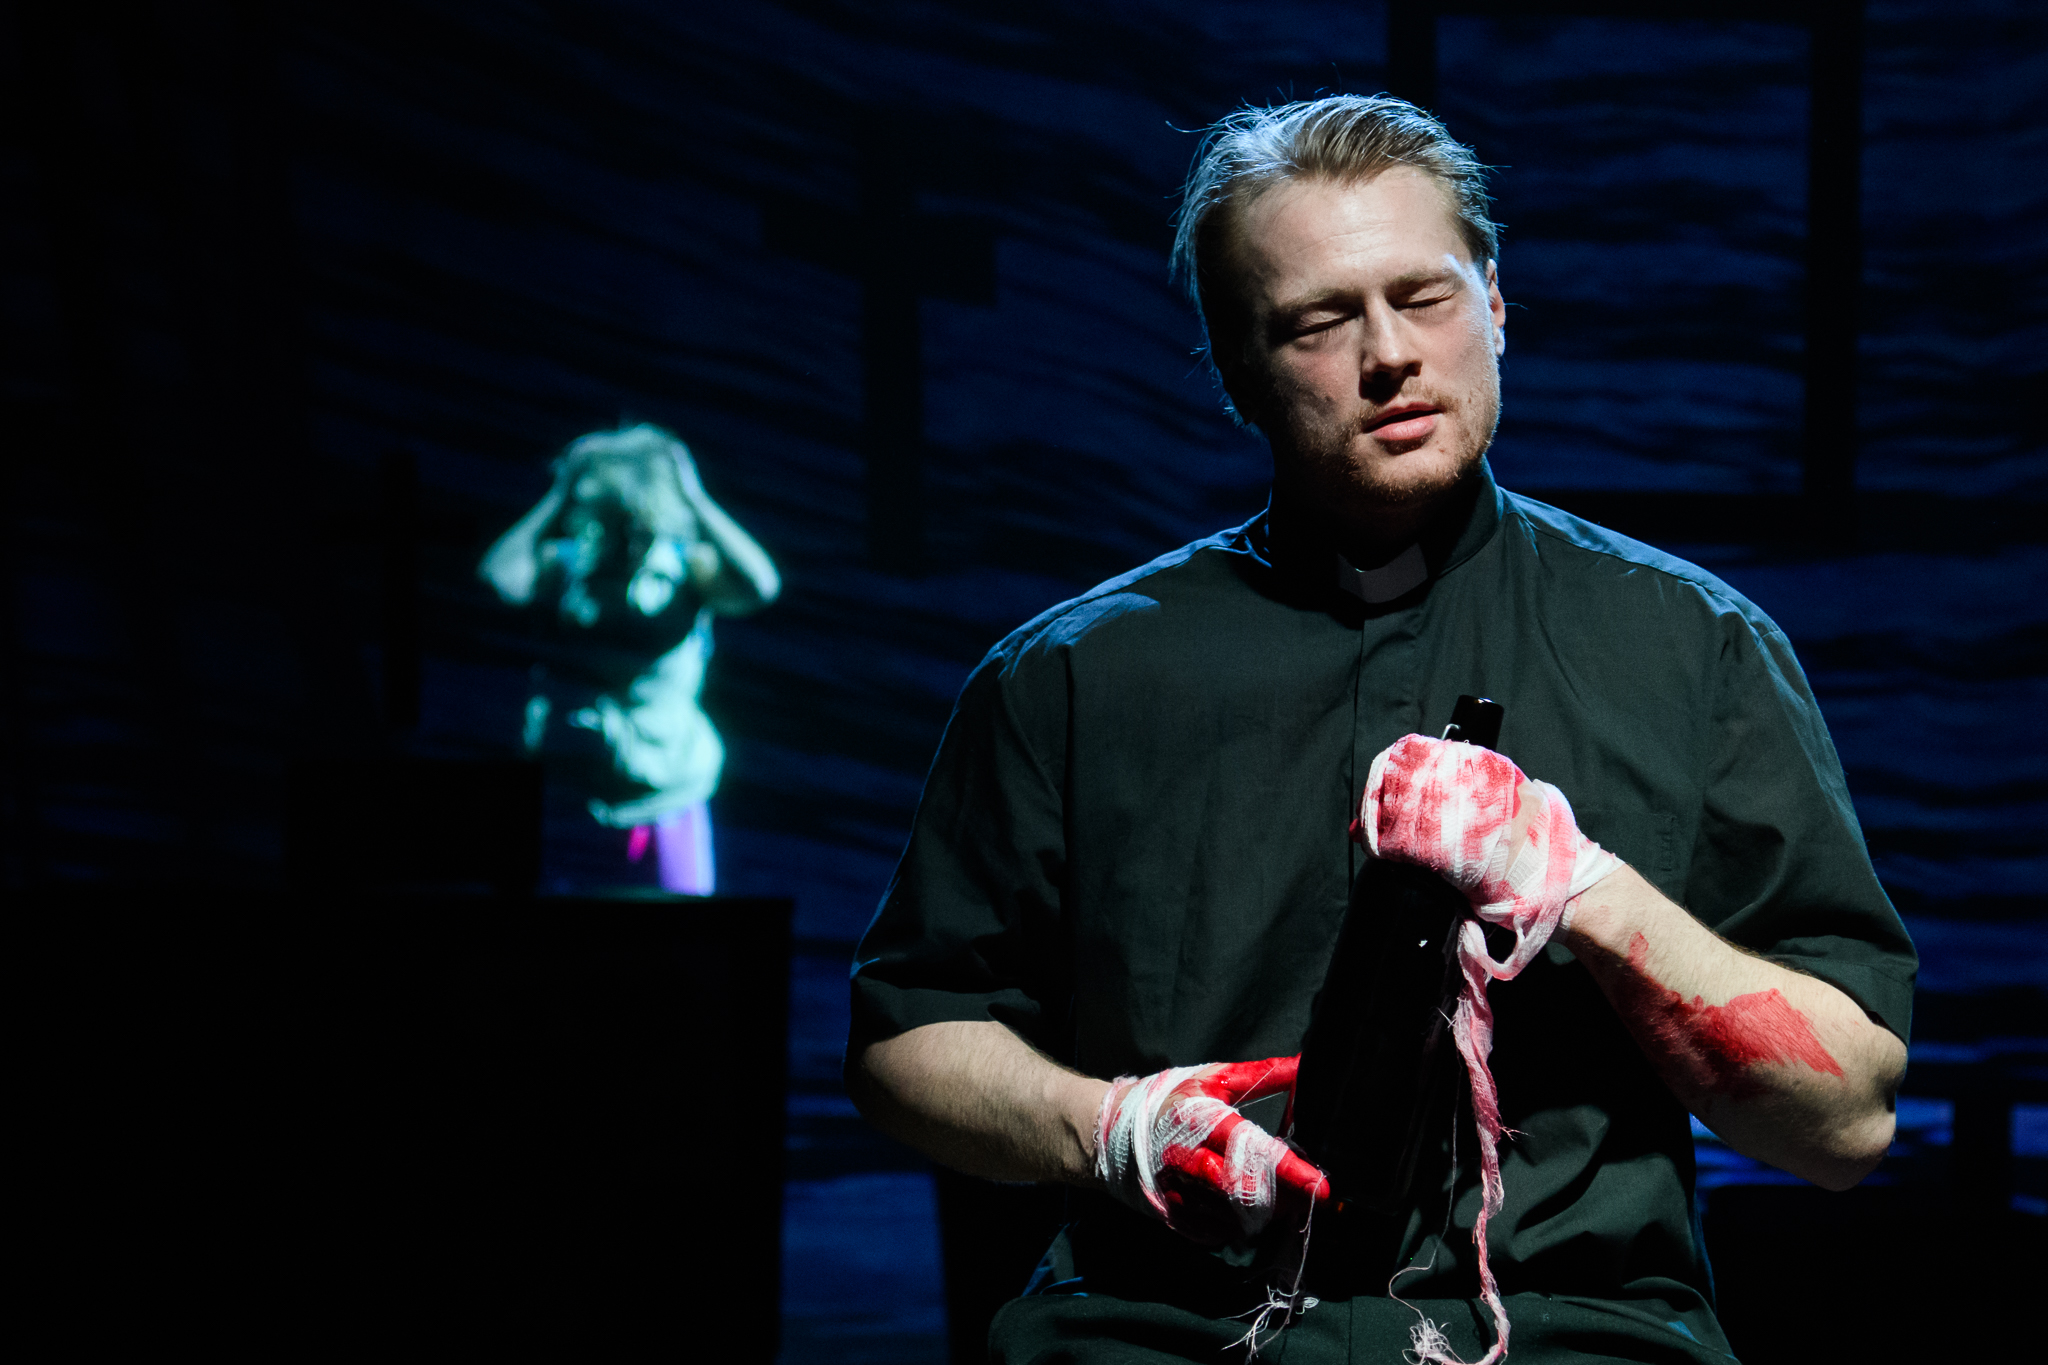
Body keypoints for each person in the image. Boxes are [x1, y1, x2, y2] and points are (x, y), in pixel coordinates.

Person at [846, 96, 1914, 1363]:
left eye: (1424, 296)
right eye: (1318, 321)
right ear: (1234, 365)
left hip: (1570, 1341)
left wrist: (1587, 891)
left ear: (1495, 303)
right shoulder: (1070, 677)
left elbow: (1843, 1125)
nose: (1389, 355)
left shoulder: (1695, 649)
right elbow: (904, 1042)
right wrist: (1112, 1130)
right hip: (1165, 1338)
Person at [480, 423, 779, 893]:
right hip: (573, 787)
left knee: (680, 928)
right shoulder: (567, 567)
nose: (630, 540)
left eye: (642, 527)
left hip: (667, 789)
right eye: (618, 526)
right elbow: (499, 578)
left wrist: (697, 498)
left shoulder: (688, 573)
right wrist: (558, 496)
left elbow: (760, 586)